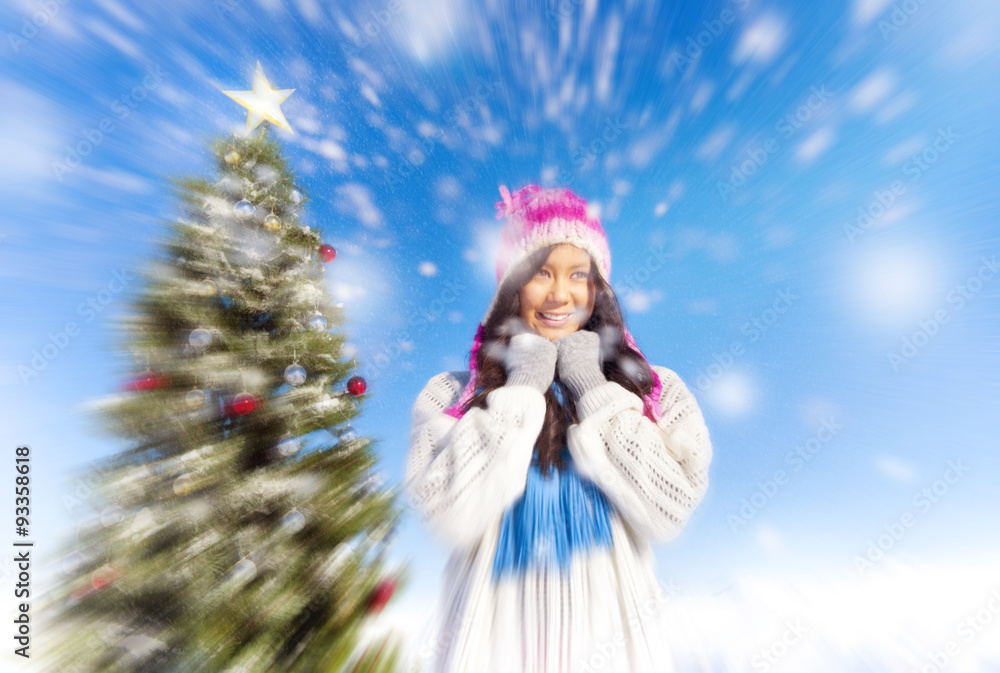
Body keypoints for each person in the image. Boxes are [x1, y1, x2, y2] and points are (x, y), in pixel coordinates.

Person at [405, 184, 712, 673]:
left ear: (599, 288)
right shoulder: (450, 395)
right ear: (511, 287)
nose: (560, 294)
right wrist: (522, 387)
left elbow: (668, 510)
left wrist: (592, 387)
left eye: (578, 275)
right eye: (540, 274)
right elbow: (449, 514)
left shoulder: (654, 390)